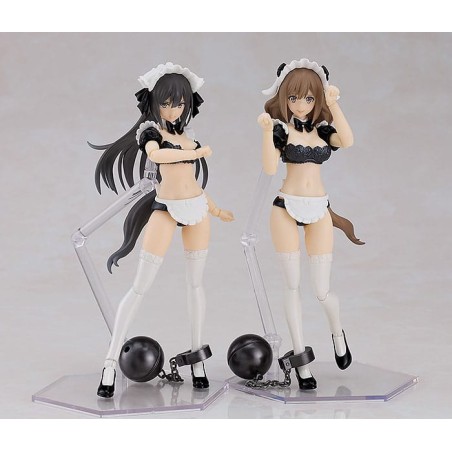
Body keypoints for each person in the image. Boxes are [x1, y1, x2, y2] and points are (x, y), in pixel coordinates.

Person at [92, 62, 233, 398]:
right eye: (166, 103)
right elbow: (160, 158)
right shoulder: (152, 134)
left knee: (196, 284)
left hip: (197, 209)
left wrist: (214, 208)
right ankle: (110, 363)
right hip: (166, 210)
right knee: (140, 286)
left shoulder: (187, 137)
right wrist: (197, 152)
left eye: (179, 104)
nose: (173, 110)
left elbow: (191, 181)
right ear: (154, 104)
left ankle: (197, 359)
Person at [257, 58, 363, 390]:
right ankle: (301, 360)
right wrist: (266, 133)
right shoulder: (281, 130)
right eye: (293, 98)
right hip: (285, 208)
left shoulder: (323, 130)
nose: (300, 105)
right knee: (291, 286)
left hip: (319, 209)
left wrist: (334, 103)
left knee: (321, 290)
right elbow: (270, 168)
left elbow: (348, 140)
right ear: (284, 98)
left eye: (308, 98)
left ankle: (337, 332)